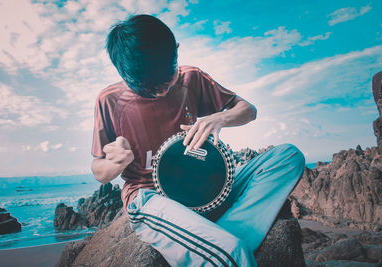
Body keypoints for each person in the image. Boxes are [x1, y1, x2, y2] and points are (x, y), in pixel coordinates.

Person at [91, 14, 305, 266]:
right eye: (149, 89)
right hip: (149, 195)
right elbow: (99, 171)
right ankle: (223, 246)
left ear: (176, 52)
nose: (161, 92)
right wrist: (117, 162)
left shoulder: (192, 78)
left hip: (207, 192)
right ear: (127, 78)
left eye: (167, 81)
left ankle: (216, 238)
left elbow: (248, 110)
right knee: (231, 255)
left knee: (289, 157)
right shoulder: (109, 100)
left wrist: (219, 118)